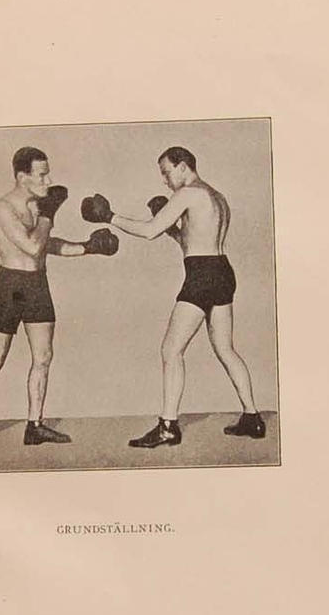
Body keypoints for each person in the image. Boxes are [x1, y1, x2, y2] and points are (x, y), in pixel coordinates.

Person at [80, 146, 265, 448]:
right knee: (225, 348)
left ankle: (168, 426)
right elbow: (190, 242)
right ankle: (252, 417)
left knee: (170, 350)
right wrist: (172, 230)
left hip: (202, 276)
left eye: (166, 172)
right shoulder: (217, 197)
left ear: (182, 166)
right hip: (222, 271)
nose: (165, 180)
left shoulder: (188, 193)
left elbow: (149, 231)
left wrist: (109, 216)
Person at [0, 147, 119, 455]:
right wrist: (48, 213)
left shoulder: (39, 207)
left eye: (48, 173)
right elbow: (32, 246)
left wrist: (89, 247)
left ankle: (34, 426)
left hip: (37, 285)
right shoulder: (4, 208)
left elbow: (47, 245)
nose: (49, 180)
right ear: (23, 177)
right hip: (10, 285)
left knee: (43, 357)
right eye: (42, 174)